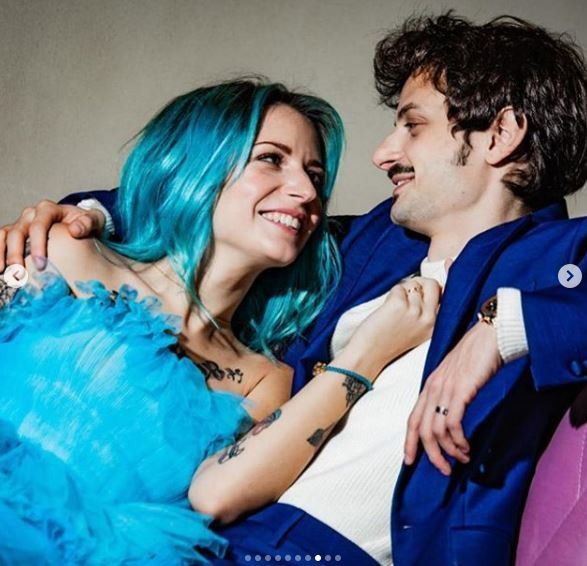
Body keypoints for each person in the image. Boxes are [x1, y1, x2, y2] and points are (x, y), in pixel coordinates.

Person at [3, 12, 587, 566]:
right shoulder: (377, 247)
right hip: (223, 539)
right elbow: (218, 203)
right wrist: (86, 217)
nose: (382, 154)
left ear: (501, 133)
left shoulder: (557, 259)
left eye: (412, 125)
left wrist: (500, 329)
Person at [0, 78, 440, 564]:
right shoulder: (65, 251)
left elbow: (220, 496)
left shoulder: (263, 380)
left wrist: (365, 356)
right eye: (271, 159)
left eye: (315, 176)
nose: (305, 192)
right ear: (200, 164)